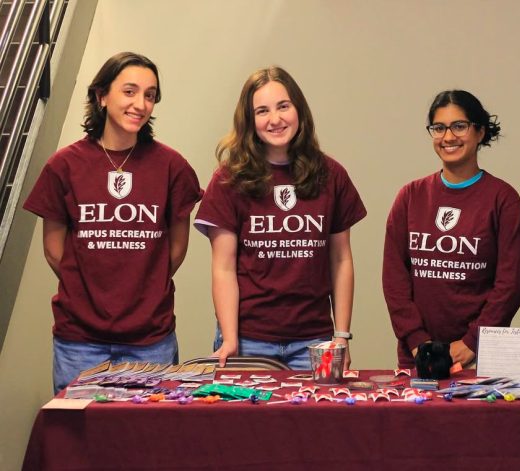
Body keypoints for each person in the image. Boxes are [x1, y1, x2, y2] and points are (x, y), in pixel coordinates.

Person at [23, 52, 203, 393]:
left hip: (151, 340)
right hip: (79, 341)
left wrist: (145, 287)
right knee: (82, 442)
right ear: (101, 95)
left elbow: (176, 248)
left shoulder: (172, 167)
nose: (141, 103)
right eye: (130, 91)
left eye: (150, 95)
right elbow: (53, 249)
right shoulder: (64, 166)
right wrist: (88, 291)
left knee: (150, 441)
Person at [195, 66, 366, 370]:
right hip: (249, 340)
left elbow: (341, 260)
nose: (275, 119)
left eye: (283, 106)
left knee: (313, 419)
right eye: (262, 111)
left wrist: (341, 336)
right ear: (250, 121)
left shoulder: (331, 175)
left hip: (315, 342)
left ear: (299, 109)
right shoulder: (228, 179)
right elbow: (223, 268)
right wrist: (230, 340)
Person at [383, 90, 520, 369]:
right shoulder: (410, 196)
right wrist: (416, 339)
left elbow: (511, 283)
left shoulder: (503, 199)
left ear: (480, 132)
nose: (448, 137)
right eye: (439, 128)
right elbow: (394, 278)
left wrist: (473, 341)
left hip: (479, 354)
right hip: (418, 354)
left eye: (459, 126)